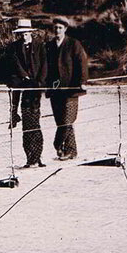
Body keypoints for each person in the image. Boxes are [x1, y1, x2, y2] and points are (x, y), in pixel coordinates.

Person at [44, 16, 89, 161]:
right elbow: (45, 67)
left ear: (65, 29)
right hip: (55, 90)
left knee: (68, 120)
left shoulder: (73, 44)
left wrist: (82, 81)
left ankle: (58, 144)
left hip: (71, 89)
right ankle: (70, 151)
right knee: (60, 121)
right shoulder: (49, 46)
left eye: (60, 28)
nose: (57, 30)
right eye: (55, 28)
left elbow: (82, 62)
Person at [7, 18, 47, 168]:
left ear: (31, 32)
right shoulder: (15, 47)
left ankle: (36, 157)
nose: (23, 36)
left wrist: (40, 82)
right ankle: (31, 157)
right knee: (28, 122)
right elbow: (16, 65)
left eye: (26, 33)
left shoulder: (40, 46)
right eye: (21, 34)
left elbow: (44, 65)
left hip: (35, 86)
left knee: (34, 120)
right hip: (22, 84)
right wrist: (24, 77)